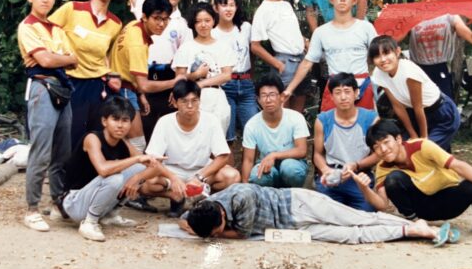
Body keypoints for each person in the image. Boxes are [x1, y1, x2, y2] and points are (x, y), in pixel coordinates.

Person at [94, 0, 192, 138]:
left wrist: (177, 86)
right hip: (140, 77)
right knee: (139, 132)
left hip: (166, 78)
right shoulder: (145, 7)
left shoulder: (183, 24)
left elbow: (182, 60)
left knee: (164, 132)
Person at [350, 119, 472, 239]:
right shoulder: (382, 167)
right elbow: (382, 205)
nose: (383, 149)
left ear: (398, 139)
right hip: (421, 208)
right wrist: (364, 188)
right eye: (376, 147)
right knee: (393, 179)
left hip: (448, 198)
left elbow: (458, 166)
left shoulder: (422, 146)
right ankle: (415, 224)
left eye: (386, 142)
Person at [181, 183, 451, 245]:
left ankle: (416, 223)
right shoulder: (207, 206)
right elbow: (184, 220)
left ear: (222, 218)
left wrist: (219, 235)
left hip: (299, 204)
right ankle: (411, 229)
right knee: (351, 237)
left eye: (218, 231)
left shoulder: (242, 197)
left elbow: (240, 234)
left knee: (360, 218)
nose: (218, 235)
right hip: (292, 228)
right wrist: (197, 228)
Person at [17, 0, 78, 232]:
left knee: (62, 152)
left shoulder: (57, 29)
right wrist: (58, 58)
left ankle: (57, 202)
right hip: (42, 88)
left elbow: (73, 59)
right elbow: (46, 60)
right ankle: (32, 209)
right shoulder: (27, 26)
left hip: (62, 89)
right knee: (41, 151)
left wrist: (58, 58)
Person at [60, 96, 163, 242]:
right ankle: (90, 222)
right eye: (115, 119)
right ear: (104, 121)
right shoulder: (92, 138)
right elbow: (103, 169)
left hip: (94, 199)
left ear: (130, 123)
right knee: (115, 177)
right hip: (74, 203)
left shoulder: (123, 143)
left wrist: (137, 178)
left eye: (125, 120)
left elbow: (153, 166)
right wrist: (136, 159)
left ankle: (111, 215)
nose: (120, 125)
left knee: (138, 169)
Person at [49, 0, 123, 150]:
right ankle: (67, 170)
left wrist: (112, 75)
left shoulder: (116, 23)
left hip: (98, 85)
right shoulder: (72, 9)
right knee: (71, 135)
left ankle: (94, 169)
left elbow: (108, 53)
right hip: (71, 81)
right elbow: (47, 32)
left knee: (97, 135)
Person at [144, 80, 240, 217]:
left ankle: (201, 197)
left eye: (194, 100)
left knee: (232, 176)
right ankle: (176, 196)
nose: (190, 106)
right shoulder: (165, 122)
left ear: (199, 101)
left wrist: (199, 177)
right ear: (175, 102)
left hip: (201, 172)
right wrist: (173, 178)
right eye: (184, 101)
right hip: (172, 171)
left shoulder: (211, 120)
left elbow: (223, 156)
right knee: (147, 181)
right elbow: (153, 159)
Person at [283, 0, 377, 111]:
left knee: (365, 123)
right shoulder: (321, 32)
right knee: (329, 123)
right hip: (335, 87)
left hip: (362, 85)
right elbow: (308, 62)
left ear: (355, 0)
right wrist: (289, 89)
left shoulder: (366, 28)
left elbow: (379, 56)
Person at [109, 0, 181, 152]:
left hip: (123, 87)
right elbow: (145, 85)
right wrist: (175, 82)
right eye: (156, 18)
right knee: (137, 143)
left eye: (165, 19)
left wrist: (139, 94)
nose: (161, 24)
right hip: (123, 89)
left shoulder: (133, 26)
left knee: (123, 140)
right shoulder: (138, 43)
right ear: (145, 17)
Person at [402, 0, 472, 99]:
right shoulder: (412, 17)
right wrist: (388, 17)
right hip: (418, 70)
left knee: (445, 106)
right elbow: (394, 39)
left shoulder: (449, 15)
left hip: (440, 69)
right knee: (418, 108)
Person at [369, 35, 460, 152]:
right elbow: (397, 106)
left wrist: (423, 139)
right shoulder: (379, 73)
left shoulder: (409, 71)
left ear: (397, 52)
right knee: (404, 150)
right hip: (415, 114)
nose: (382, 59)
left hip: (441, 113)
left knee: (424, 151)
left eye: (386, 53)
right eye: (377, 56)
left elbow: (418, 107)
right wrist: (413, 134)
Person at [313, 73, 379, 211]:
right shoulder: (322, 120)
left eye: (347, 91)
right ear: (331, 96)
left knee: (365, 215)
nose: (343, 97)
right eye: (337, 92)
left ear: (356, 93)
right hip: (332, 173)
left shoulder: (371, 119)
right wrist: (325, 170)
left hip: (360, 175)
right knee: (326, 214)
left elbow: (378, 154)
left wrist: (356, 165)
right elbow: (317, 154)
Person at [251, 0, 309, 113]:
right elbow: (255, 46)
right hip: (284, 63)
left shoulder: (286, 5)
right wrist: (277, 64)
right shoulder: (263, 11)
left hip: (301, 60)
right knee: (283, 111)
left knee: (299, 110)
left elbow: (291, 32)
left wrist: (304, 41)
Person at [173, 3, 235, 133]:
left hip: (217, 99)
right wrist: (196, 75)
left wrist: (200, 84)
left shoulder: (223, 47)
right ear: (193, 23)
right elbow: (179, 78)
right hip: (191, 99)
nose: (203, 25)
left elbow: (227, 75)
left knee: (217, 138)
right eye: (198, 21)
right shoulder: (185, 48)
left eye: (207, 20)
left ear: (214, 21)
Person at [212, 0, 259, 155]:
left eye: (232, 5)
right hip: (225, 86)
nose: (228, 9)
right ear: (215, 7)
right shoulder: (212, 32)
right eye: (224, 5)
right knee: (227, 136)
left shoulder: (245, 28)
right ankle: (228, 169)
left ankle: (251, 169)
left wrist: (251, 77)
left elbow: (253, 53)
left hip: (246, 84)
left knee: (254, 132)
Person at [241, 74, 309, 188]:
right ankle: (268, 194)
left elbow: (301, 150)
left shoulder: (296, 117)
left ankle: (292, 193)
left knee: (290, 169)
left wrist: (274, 155)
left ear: (281, 97)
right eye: (264, 95)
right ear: (258, 99)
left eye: (272, 95)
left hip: (292, 162)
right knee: (258, 176)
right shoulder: (251, 125)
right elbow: (248, 160)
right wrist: (245, 186)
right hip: (267, 165)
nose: (268, 100)